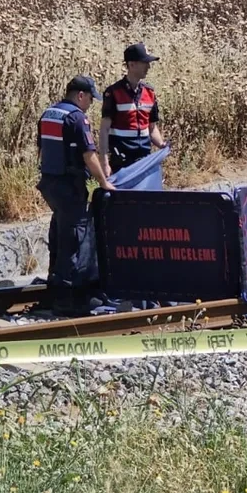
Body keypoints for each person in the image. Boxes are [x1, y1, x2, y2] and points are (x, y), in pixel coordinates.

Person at [37, 75, 115, 316]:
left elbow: (41, 148)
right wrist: (104, 181)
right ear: (80, 95)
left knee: (60, 231)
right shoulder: (76, 118)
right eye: (91, 98)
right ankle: (67, 298)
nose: (91, 104)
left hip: (50, 183)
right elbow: (88, 154)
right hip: (69, 186)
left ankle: (53, 289)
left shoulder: (49, 113)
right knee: (73, 238)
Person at [100, 42, 167, 174]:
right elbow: (104, 129)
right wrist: (104, 162)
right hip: (122, 161)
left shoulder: (150, 92)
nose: (148, 67)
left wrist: (162, 144)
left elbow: (151, 127)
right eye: (145, 63)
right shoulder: (113, 92)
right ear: (131, 65)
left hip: (144, 158)